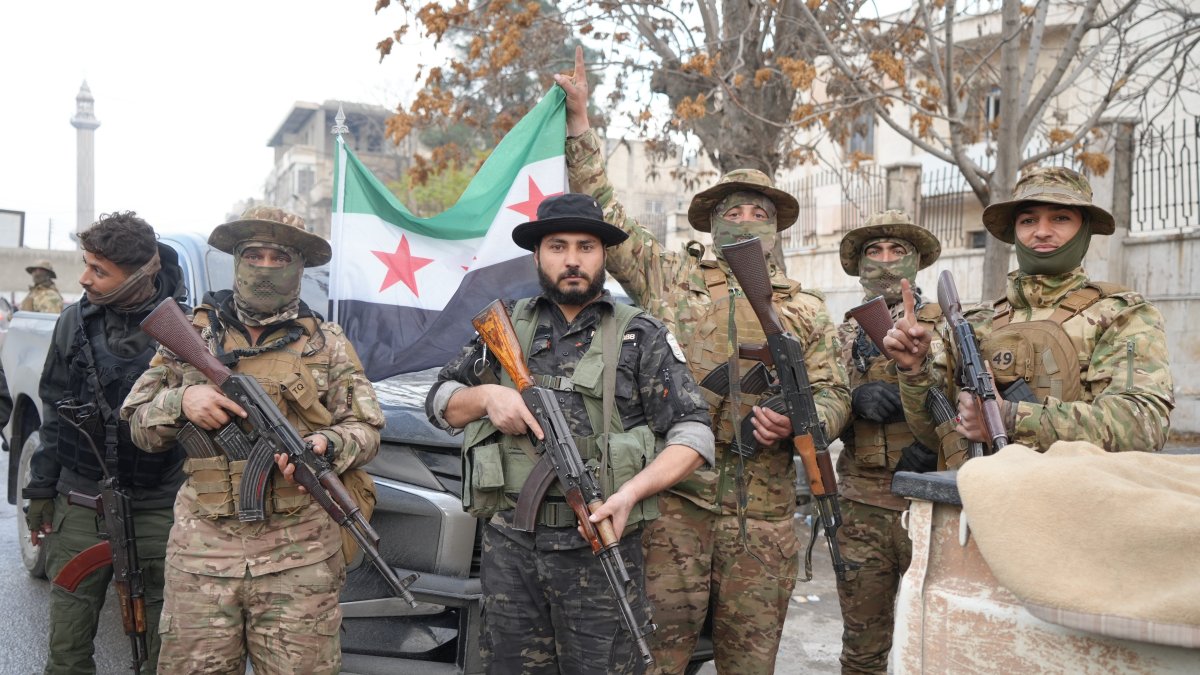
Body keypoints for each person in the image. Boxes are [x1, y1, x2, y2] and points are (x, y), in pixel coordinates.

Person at [555, 48, 851, 674]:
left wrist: (799, 421)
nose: (745, 221)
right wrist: (580, 124)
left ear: (776, 230)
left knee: (751, 663)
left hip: (765, 518)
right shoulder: (671, 280)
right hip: (676, 509)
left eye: (758, 213)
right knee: (654, 658)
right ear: (711, 224)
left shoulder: (808, 311)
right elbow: (606, 214)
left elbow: (832, 392)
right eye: (731, 212)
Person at [424, 193, 715, 674]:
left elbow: (694, 434)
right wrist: (487, 399)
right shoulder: (507, 328)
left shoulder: (641, 335)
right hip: (512, 551)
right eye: (558, 246)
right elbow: (440, 403)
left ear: (604, 256)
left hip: (600, 549)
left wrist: (630, 494)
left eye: (587, 246)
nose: (573, 259)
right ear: (537, 255)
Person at [121, 206, 383, 674]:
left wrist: (329, 445)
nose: (265, 267)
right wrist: (183, 400)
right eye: (253, 255)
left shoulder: (328, 344)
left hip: (298, 558)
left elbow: (366, 428)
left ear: (299, 267)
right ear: (237, 261)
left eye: (278, 256)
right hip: (201, 554)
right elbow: (138, 425)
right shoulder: (192, 336)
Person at [885, 166, 1174, 455]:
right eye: (1028, 220)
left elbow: (1143, 425)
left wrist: (1009, 418)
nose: (1042, 231)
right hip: (987, 494)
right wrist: (914, 370)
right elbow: (936, 436)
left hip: (1078, 494)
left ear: (1084, 229)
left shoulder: (1121, 315)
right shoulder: (977, 323)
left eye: (1060, 218)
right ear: (1015, 231)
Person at [21, 211, 187, 674]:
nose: (84, 278)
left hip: (160, 505)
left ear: (139, 274)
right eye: (85, 263)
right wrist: (40, 492)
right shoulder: (73, 322)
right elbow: (54, 410)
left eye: (99, 270)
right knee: (68, 642)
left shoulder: (189, 329)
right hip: (81, 498)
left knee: (164, 648)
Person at [833, 211, 944, 674]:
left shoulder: (949, 325)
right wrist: (852, 401)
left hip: (932, 505)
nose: (884, 262)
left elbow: (977, 406)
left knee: (936, 644)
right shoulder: (840, 334)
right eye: (872, 253)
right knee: (863, 649)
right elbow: (819, 403)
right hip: (861, 506)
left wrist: (937, 445)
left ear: (916, 262)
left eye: (897, 252)